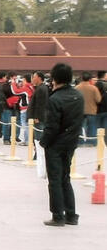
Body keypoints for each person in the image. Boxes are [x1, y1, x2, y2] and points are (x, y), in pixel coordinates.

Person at [40, 63, 84, 226]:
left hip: (56, 144)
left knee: (55, 180)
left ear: (55, 78)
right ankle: (71, 214)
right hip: (71, 142)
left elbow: (52, 127)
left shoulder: (55, 99)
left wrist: (44, 142)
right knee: (66, 177)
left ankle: (58, 215)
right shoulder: (78, 96)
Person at [76, 72, 101, 147]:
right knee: (92, 126)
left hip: (80, 110)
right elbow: (98, 99)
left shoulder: (77, 88)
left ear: (81, 78)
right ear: (90, 79)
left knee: (79, 127)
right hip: (91, 110)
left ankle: (80, 142)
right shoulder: (93, 88)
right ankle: (91, 142)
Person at [29, 72, 49, 137]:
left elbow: (39, 104)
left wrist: (36, 117)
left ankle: (39, 146)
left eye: (34, 77)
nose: (33, 79)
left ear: (39, 78)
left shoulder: (41, 89)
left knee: (38, 135)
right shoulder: (41, 87)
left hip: (39, 117)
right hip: (40, 115)